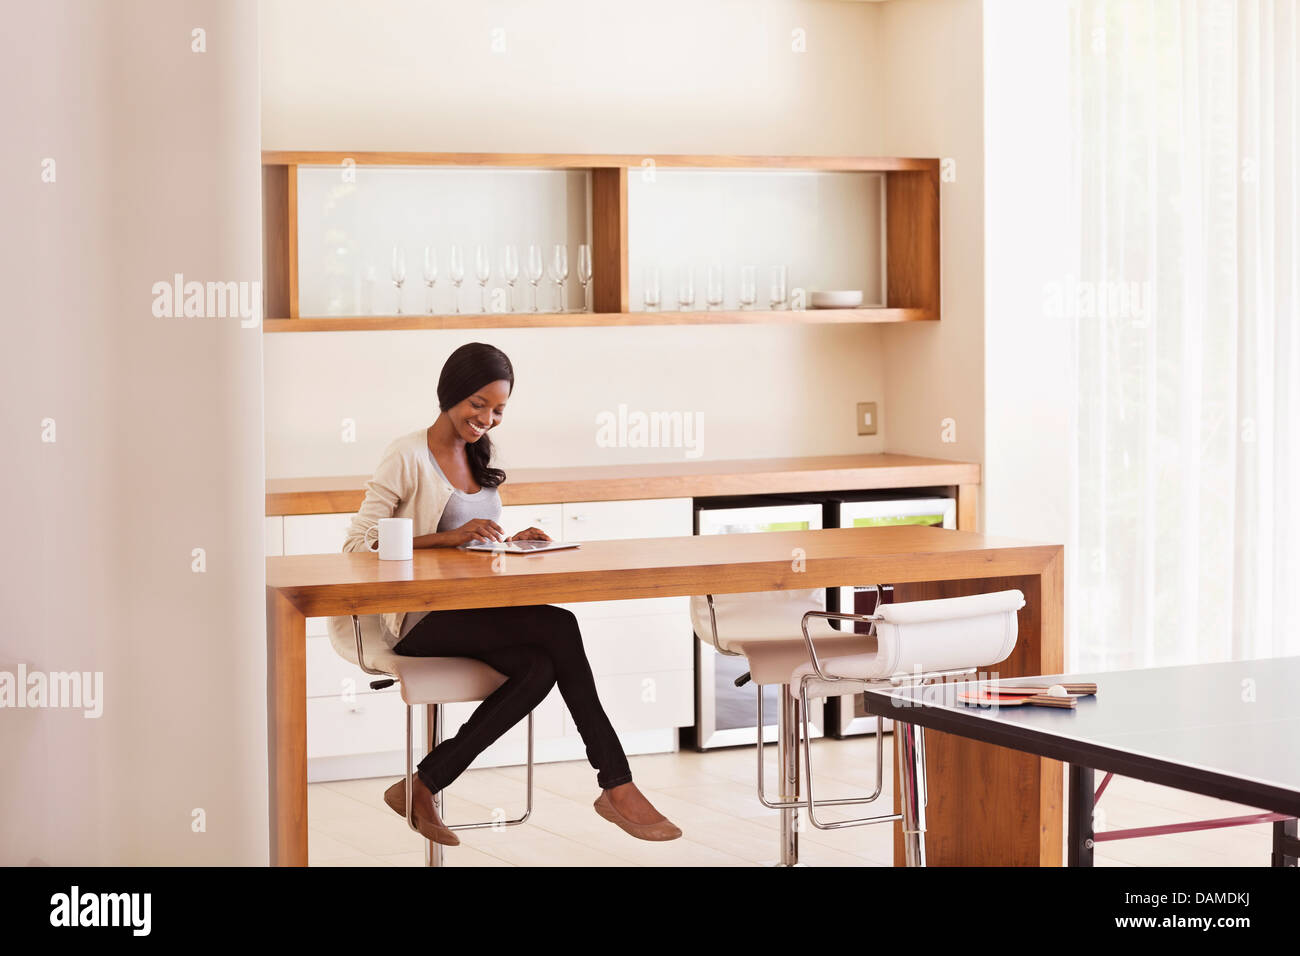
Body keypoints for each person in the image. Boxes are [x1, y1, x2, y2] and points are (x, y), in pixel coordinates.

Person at [328, 342, 681, 846]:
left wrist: (509, 542)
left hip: (470, 610)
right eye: (478, 405)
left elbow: (469, 543)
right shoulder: (407, 454)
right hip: (418, 620)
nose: (487, 419)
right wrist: (447, 538)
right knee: (560, 625)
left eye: (498, 410)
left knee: (539, 666)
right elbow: (357, 544)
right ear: (449, 395)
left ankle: (423, 783)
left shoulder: (479, 454)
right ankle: (616, 784)